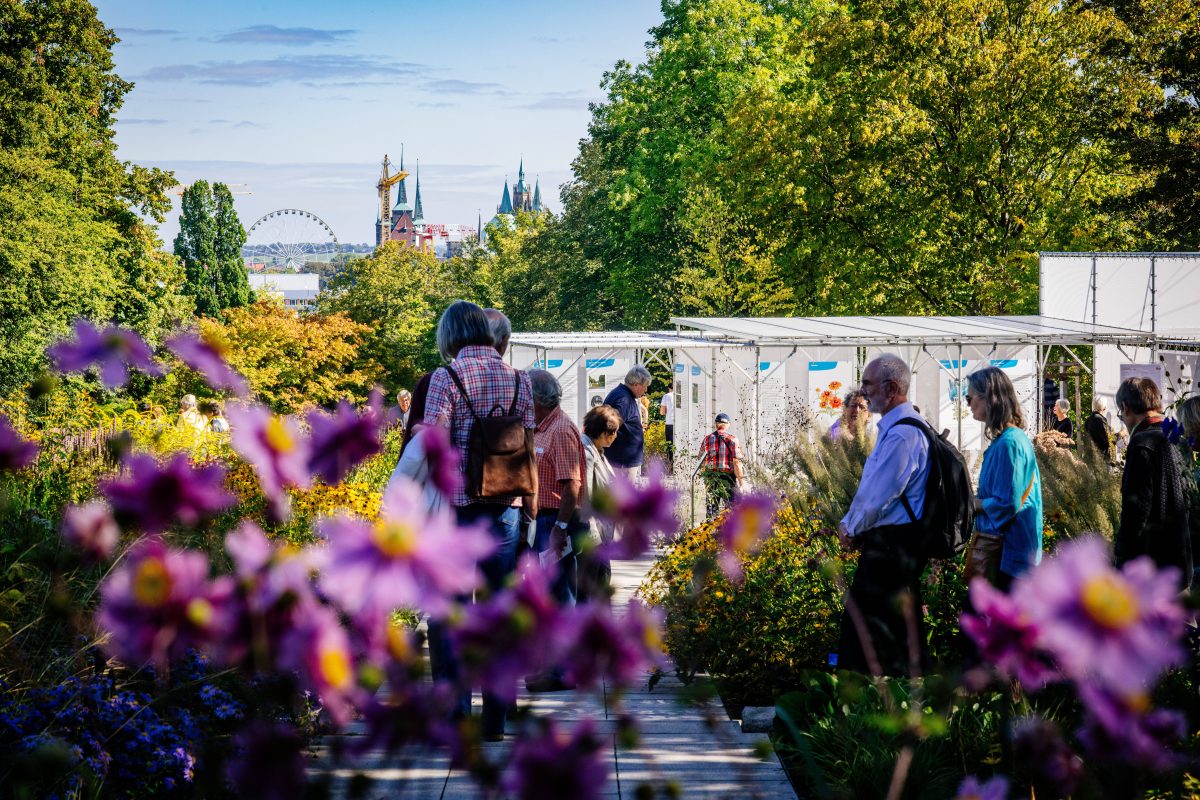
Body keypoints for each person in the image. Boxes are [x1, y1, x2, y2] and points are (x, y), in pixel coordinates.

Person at [423, 300, 537, 741]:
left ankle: (454, 717)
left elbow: (433, 441)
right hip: (504, 512)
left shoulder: (445, 378)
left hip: (455, 513)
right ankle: (495, 721)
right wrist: (528, 508)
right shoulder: (519, 380)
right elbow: (527, 444)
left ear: (450, 335)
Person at [836, 354, 931, 677]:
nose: (863, 392)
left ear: (891, 389)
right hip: (891, 546)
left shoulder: (904, 433)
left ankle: (881, 708)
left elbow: (880, 495)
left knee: (872, 637)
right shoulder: (898, 429)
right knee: (883, 635)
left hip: (892, 549)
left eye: (868, 384)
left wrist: (849, 527)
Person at [525, 369, 587, 692]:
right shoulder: (542, 427)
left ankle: (562, 672)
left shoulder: (561, 430)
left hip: (555, 522)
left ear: (537, 399)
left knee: (560, 598)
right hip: (544, 520)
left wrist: (560, 528)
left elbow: (571, 485)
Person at [965, 367, 1043, 589]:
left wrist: (972, 504)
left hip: (1009, 557)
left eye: (969, 397)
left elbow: (1007, 504)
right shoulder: (1006, 440)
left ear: (989, 397)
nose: (968, 404)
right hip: (1008, 555)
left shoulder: (1010, 443)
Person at [1113, 378, 1191, 591]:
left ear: (1125, 408)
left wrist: (1120, 554)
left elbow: (1136, 509)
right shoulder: (1178, 437)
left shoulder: (1142, 443)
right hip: (1180, 562)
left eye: (1122, 416)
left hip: (1150, 569)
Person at [580, 405, 620, 602]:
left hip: (602, 530)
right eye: (614, 432)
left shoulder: (597, 449)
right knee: (596, 584)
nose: (616, 437)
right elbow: (585, 496)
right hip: (593, 532)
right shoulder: (587, 452)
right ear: (605, 433)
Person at [603, 366, 652, 477]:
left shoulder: (622, 394)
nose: (646, 390)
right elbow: (611, 426)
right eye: (645, 386)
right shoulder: (624, 399)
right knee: (624, 494)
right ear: (636, 384)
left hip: (622, 459)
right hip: (622, 461)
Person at [698, 413, 744, 519]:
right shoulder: (733, 439)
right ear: (728, 425)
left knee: (711, 511)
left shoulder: (707, 439)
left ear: (716, 424)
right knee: (733, 510)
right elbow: (737, 463)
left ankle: (711, 533)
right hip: (728, 479)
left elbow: (701, 460)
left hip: (711, 478)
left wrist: (706, 479)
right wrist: (742, 483)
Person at [658, 389, 675, 467]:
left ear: (669, 388)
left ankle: (671, 467)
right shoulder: (682, 394)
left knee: (670, 445)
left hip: (670, 423)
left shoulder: (667, 396)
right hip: (681, 423)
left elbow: (662, 412)